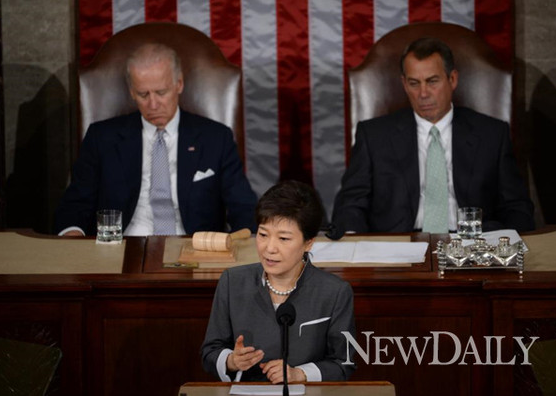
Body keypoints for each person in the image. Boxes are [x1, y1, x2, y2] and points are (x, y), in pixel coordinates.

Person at [332, 37, 535, 234]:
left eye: (432, 81)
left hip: (469, 245)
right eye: (414, 83)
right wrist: (357, 246)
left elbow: (517, 208)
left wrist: (494, 239)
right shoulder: (374, 136)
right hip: (397, 248)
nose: (423, 93)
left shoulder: (492, 134)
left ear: (452, 79)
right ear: (404, 84)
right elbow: (349, 205)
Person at [54, 43, 257, 236]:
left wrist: (244, 245)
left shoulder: (216, 138)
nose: (153, 104)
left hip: (193, 251)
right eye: (143, 94)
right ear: (132, 92)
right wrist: (74, 240)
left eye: (161, 92)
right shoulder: (102, 138)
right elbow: (76, 203)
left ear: (179, 84)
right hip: (121, 249)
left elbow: (243, 206)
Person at [201, 180, 356, 383]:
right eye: (263, 235)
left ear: (308, 242)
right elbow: (209, 352)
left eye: (283, 239)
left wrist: (300, 374)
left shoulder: (334, 292)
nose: (270, 248)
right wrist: (231, 361)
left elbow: (344, 363)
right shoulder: (232, 282)